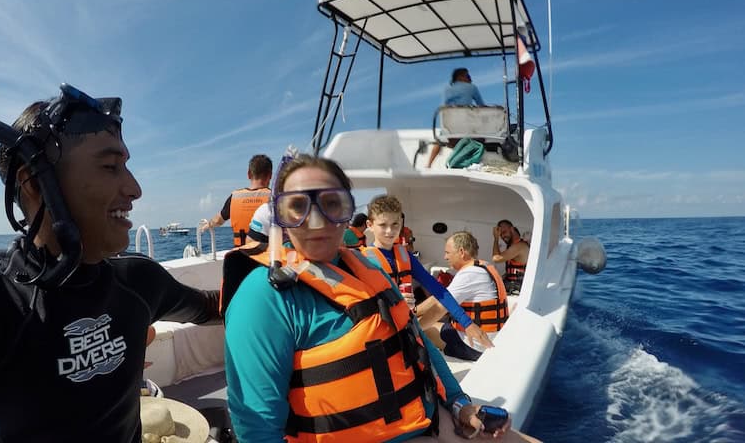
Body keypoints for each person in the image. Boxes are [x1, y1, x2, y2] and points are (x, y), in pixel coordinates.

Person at [0, 86, 221, 442]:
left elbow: (211, 307)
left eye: (127, 166)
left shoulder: (138, 281)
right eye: (111, 166)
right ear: (34, 185)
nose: (135, 188)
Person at [223, 154, 536, 442]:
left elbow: (417, 342)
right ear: (280, 217)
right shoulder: (263, 301)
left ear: (347, 213)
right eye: (298, 207)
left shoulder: (369, 271)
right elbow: (257, 429)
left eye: (331, 204)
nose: (316, 220)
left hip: (425, 421)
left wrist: (459, 404)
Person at [362, 195, 492, 351]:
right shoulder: (363, 260)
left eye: (395, 224)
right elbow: (361, 307)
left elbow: (439, 291)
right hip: (382, 334)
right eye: (383, 225)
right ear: (370, 225)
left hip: (405, 326)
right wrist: (394, 302)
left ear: (401, 223)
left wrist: (468, 323)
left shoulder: (406, 257)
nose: (390, 231)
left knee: (436, 368)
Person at [427, 232, 508, 361]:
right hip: (493, 338)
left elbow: (439, 309)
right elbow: (440, 297)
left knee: (424, 329)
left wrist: (415, 325)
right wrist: (414, 310)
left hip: (474, 346)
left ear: (461, 252)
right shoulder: (484, 266)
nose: (445, 257)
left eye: (448, 252)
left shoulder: (469, 274)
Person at [201, 154, 273, 247]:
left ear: (249, 174)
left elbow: (219, 220)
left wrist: (208, 224)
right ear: (270, 175)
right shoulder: (275, 198)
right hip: (266, 258)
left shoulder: (235, 197)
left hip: (240, 257)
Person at [426, 68, 487, 168]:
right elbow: (482, 107)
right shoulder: (472, 87)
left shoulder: (446, 89)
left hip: (450, 134)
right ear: (460, 76)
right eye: (468, 76)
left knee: (440, 139)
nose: (470, 79)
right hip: (468, 131)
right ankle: (473, 162)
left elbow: (444, 108)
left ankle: (428, 165)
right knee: (483, 137)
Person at [492, 220, 529, 295]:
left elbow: (496, 258)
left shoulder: (520, 246)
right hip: (512, 287)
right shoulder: (512, 247)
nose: (502, 236)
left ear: (512, 229)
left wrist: (496, 238)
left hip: (518, 290)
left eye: (504, 232)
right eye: (500, 234)